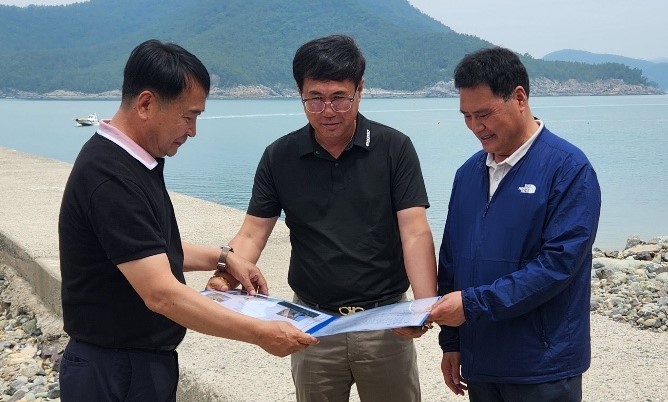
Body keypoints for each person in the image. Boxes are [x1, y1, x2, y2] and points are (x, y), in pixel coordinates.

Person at [58, 39, 317, 401]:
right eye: (188, 116)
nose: (193, 131)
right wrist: (261, 333)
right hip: (114, 369)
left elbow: (146, 247)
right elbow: (161, 294)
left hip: (136, 362)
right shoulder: (110, 175)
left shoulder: (135, 161)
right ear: (146, 104)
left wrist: (222, 258)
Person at [207, 34, 437, 402]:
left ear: (360, 90)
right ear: (300, 93)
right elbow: (252, 233)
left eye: (339, 97)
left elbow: (414, 232)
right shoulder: (280, 156)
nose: (327, 111)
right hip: (311, 323)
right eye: (314, 99)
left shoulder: (394, 148)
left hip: (384, 322)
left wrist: (423, 307)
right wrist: (225, 274)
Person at [428, 46, 601, 401]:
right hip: (480, 362)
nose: (476, 127)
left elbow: (557, 266)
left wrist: (471, 305)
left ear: (519, 98)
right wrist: (452, 341)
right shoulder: (467, 173)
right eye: (467, 116)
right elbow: (451, 260)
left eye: (484, 114)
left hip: (543, 365)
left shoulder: (569, 169)